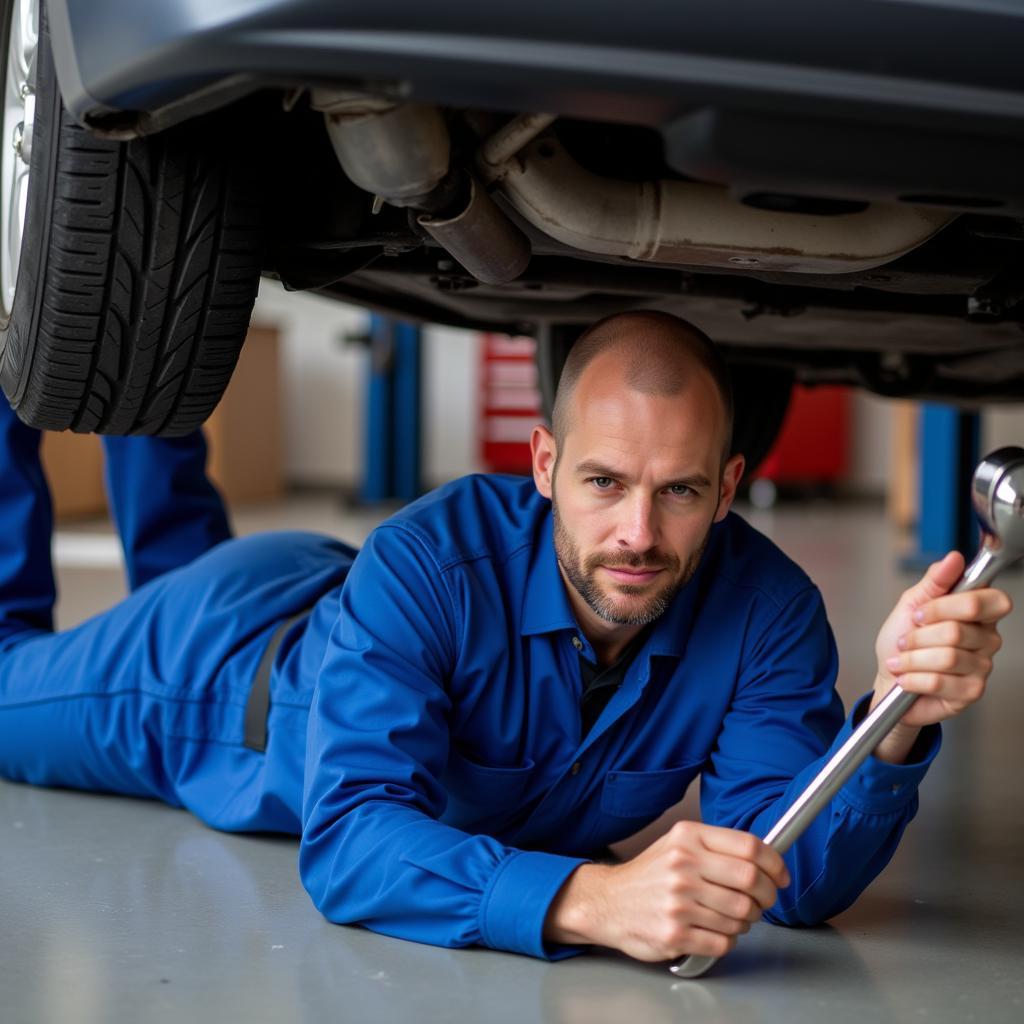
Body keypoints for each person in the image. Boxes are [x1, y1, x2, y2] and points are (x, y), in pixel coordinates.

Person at [0, 311, 1011, 965]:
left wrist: (891, 716)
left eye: (681, 492)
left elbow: (785, 879)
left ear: (729, 487)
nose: (638, 536)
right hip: (217, 678)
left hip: (352, 602)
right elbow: (349, 837)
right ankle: (50, 335)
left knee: (185, 546)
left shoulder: (766, 608)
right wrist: (589, 899)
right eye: (604, 482)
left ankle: (135, 379)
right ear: (542, 462)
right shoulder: (429, 559)